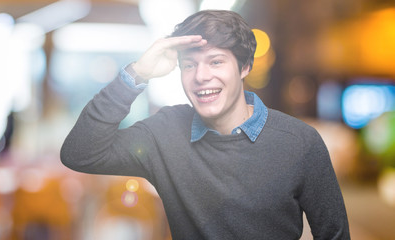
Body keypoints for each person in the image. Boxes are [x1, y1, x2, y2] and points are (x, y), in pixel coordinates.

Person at [61, 10, 350, 239]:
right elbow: (80, 152)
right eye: (189, 65)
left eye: (215, 62)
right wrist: (137, 73)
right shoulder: (166, 133)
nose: (200, 76)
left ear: (244, 67)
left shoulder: (300, 143)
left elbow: (334, 235)